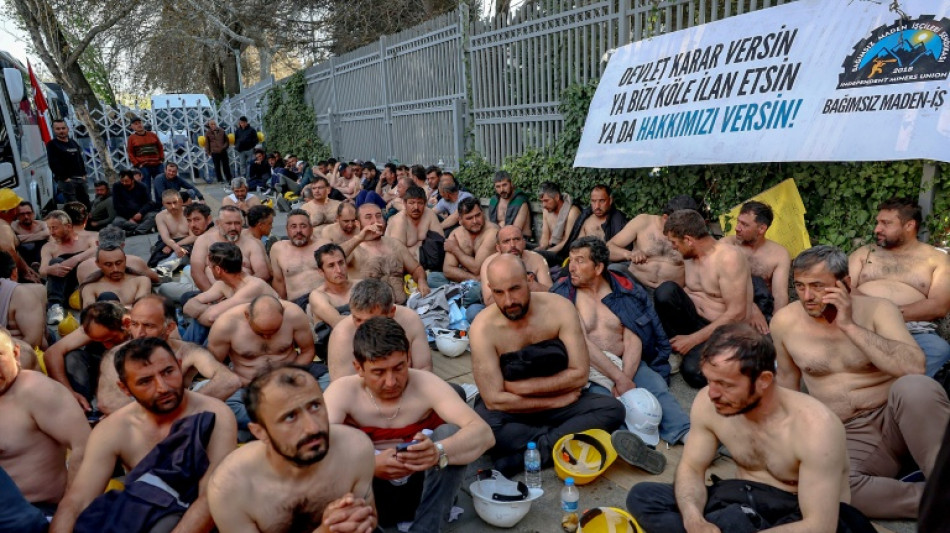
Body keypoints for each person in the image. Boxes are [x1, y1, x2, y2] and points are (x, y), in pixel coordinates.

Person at [626, 324, 872, 533]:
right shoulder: (709, 401)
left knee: (731, 521)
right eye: (709, 380)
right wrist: (694, 520)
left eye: (725, 384)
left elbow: (819, 525)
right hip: (740, 497)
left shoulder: (816, 427)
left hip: (797, 516)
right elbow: (691, 467)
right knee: (643, 497)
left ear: (763, 380)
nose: (712, 394)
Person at [771, 245, 950, 519]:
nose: (807, 296)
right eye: (800, 286)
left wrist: (850, 326)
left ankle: (939, 478)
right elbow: (786, 384)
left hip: (897, 416)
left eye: (818, 286)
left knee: (916, 386)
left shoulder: (879, 309)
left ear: (846, 284)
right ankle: (936, 498)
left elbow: (913, 366)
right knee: (837, 491)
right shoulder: (785, 322)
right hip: (851, 433)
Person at [50, 338, 237, 533]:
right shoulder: (114, 429)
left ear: (179, 366)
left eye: (168, 372)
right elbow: (77, 501)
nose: (163, 387)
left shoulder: (216, 414)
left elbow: (210, 497)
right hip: (143, 515)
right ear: (124, 388)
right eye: (145, 381)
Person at [326, 317, 494, 531]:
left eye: (399, 368)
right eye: (378, 372)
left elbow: (484, 433)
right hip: (371, 498)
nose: (391, 381)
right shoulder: (342, 392)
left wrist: (437, 451)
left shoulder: (425, 383)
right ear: (358, 367)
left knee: (451, 432)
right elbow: (314, 458)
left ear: (408, 358)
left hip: (424, 490)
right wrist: (369, 466)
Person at [471, 254, 626, 474]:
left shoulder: (560, 308)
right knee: (483, 426)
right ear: (489, 289)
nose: (509, 301)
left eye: (515, 289)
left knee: (613, 410)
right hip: (517, 408)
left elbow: (580, 374)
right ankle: (559, 440)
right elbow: (495, 399)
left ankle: (531, 453)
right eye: (498, 292)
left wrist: (524, 388)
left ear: (529, 280)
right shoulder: (482, 328)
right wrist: (556, 400)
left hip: (560, 404)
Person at [552, 237, 689, 445]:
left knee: (655, 387)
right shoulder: (565, 296)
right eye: (570, 260)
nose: (571, 267)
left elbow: (634, 335)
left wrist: (626, 376)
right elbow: (581, 343)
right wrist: (618, 378)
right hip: (588, 367)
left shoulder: (625, 291)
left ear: (598, 267)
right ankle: (630, 443)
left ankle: (685, 433)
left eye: (579, 261)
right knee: (605, 406)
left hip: (626, 360)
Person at [207, 365, 377, 532]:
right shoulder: (231, 488)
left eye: (315, 406)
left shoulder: (354, 448)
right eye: (290, 417)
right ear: (260, 432)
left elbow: (371, 519)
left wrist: (356, 520)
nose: (313, 428)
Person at [654, 209, 766, 388]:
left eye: (674, 242)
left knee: (694, 373)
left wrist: (692, 340)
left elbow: (737, 314)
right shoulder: (689, 255)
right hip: (694, 320)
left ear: (689, 240)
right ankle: (678, 349)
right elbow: (685, 291)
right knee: (665, 291)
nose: (673, 247)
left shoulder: (728, 258)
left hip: (723, 331)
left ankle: (707, 354)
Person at [0, 328, 90, 532]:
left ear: (15, 354)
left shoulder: (35, 390)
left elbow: (86, 448)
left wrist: (67, 515)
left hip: (37, 513)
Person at [849, 198, 950, 377]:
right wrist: (877, 315)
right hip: (864, 324)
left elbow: (939, 305)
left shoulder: (937, 259)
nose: (877, 229)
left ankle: (895, 391)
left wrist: (889, 315)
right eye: (878, 222)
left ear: (909, 225)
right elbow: (845, 288)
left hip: (912, 330)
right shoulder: (864, 253)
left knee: (939, 349)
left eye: (885, 223)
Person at [95, 295, 243, 416]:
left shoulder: (187, 351)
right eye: (134, 325)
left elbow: (229, 380)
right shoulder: (115, 355)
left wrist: (183, 409)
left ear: (169, 327)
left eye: (149, 326)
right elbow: (108, 402)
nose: (139, 333)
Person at [328, 278, 432, 380]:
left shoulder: (410, 320)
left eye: (371, 321)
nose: (363, 327)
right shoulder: (342, 336)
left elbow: (424, 370)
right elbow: (344, 389)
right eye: (358, 319)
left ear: (391, 312)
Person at [44, 301, 130, 412]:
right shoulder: (95, 325)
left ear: (126, 324)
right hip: (102, 370)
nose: (107, 345)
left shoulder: (138, 325)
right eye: (101, 342)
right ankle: (84, 407)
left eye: (109, 340)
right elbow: (52, 353)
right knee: (73, 358)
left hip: (130, 376)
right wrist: (69, 392)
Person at [346, 202, 430, 305]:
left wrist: (422, 281)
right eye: (368, 217)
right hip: (372, 311)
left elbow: (416, 269)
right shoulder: (354, 250)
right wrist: (359, 238)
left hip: (404, 306)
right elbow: (333, 257)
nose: (375, 221)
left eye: (378, 216)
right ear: (358, 223)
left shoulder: (395, 244)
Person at [607, 195, 697, 291]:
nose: (682, 230)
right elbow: (608, 248)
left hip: (667, 295)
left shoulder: (692, 236)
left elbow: (700, 271)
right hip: (636, 286)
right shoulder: (643, 222)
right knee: (614, 268)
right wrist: (628, 254)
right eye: (679, 225)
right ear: (666, 218)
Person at [183, 242, 278, 329]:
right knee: (205, 323)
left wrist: (204, 312)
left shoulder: (253, 286)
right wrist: (208, 310)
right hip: (248, 328)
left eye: (210, 266)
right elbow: (188, 306)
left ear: (218, 270)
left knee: (213, 324)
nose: (209, 268)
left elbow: (211, 317)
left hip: (270, 332)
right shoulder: (223, 284)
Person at [721, 200, 791, 314]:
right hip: (731, 307)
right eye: (738, 222)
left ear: (761, 229)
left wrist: (776, 324)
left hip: (763, 308)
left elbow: (779, 296)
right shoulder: (727, 246)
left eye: (744, 224)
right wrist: (751, 308)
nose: (737, 228)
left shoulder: (779, 254)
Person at [477, 225, 552, 321]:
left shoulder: (537, 259)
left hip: (530, 306)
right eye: (506, 241)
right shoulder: (489, 264)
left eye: (516, 239)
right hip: (501, 309)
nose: (512, 245)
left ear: (524, 242)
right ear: (498, 247)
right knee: (474, 311)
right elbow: (488, 301)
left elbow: (551, 293)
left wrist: (530, 285)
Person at [190, 205, 270, 292]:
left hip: (244, 294)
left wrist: (239, 291)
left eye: (237, 223)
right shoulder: (204, 240)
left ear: (242, 223)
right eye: (228, 223)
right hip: (212, 295)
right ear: (218, 223)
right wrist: (213, 296)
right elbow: (196, 272)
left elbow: (263, 273)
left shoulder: (251, 243)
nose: (233, 228)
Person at [40, 210, 97, 325]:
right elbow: (42, 270)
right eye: (49, 228)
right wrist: (51, 269)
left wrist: (75, 259)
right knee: (56, 261)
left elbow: (97, 250)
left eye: (55, 228)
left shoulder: (86, 239)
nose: (51, 232)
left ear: (68, 226)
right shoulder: (49, 247)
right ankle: (55, 306)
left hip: (86, 284)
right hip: (65, 287)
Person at [156, 204, 215, 303]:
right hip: (200, 278)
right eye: (189, 220)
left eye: (197, 219)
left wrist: (211, 297)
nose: (192, 225)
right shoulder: (205, 236)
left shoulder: (207, 238)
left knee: (163, 288)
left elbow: (199, 274)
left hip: (211, 287)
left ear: (208, 219)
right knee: (186, 270)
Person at [270, 209, 327, 305]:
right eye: (293, 226)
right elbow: (279, 282)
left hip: (325, 299)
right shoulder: (278, 249)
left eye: (303, 226)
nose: (298, 231)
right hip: (297, 304)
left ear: (311, 229)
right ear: (287, 229)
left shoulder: (324, 245)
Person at [75, 225, 159, 285]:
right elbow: (156, 279)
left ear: (97, 243)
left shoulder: (83, 266)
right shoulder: (135, 261)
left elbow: (83, 293)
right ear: (122, 245)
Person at [0, 251, 47, 348]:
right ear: (14, 273)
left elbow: (34, 342)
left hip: (17, 354)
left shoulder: (21, 295)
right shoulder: (24, 294)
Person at [79, 245, 151, 307]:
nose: (115, 269)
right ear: (98, 264)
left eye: (118, 263)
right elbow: (89, 315)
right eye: (108, 265)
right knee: (107, 297)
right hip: (108, 321)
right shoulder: (90, 288)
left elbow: (141, 307)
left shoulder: (141, 281)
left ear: (125, 260)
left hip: (136, 320)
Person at [385, 185, 443, 258]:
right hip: (401, 264)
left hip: (426, 259)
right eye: (411, 203)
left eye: (420, 203)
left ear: (425, 204)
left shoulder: (429, 214)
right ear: (405, 204)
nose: (416, 207)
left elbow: (440, 241)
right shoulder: (400, 220)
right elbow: (397, 255)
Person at [309, 243, 355, 329]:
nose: (339, 270)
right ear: (321, 272)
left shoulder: (360, 285)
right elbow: (338, 322)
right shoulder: (318, 296)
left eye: (341, 263)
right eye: (331, 266)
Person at [46, 119, 91, 207]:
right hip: (67, 181)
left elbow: (80, 159)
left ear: (67, 129)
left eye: (63, 128)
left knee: (86, 203)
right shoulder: (52, 145)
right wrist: (65, 178)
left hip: (80, 179)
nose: (61, 131)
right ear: (54, 130)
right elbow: (53, 163)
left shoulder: (73, 142)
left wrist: (84, 174)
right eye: (58, 129)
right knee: (73, 207)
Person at [536, 181, 581, 264]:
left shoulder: (572, 212)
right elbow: (545, 237)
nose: (544, 205)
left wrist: (546, 253)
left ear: (556, 197)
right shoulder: (546, 211)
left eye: (546, 201)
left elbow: (567, 242)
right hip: (550, 250)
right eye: (542, 201)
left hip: (565, 254)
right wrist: (540, 249)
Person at [149, 189, 195, 268]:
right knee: (157, 258)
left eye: (175, 202)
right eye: (169, 203)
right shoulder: (160, 216)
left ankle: (164, 268)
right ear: (163, 204)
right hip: (169, 242)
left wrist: (175, 246)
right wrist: (173, 246)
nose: (173, 206)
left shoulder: (190, 212)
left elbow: (193, 236)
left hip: (188, 242)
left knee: (181, 255)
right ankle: (162, 266)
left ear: (180, 201)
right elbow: (165, 237)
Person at [125, 116, 165, 198]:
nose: (138, 125)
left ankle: (160, 203)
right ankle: (149, 203)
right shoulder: (131, 138)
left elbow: (160, 147)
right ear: (132, 127)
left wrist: (161, 159)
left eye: (139, 123)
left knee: (160, 183)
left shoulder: (152, 135)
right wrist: (137, 164)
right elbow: (130, 152)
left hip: (157, 163)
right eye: (135, 124)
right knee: (146, 185)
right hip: (143, 165)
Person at [487, 171, 532, 239]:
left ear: (511, 184)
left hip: (519, 240)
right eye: (498, 186)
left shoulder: (520, 201)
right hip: (498, 238)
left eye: (504, 185)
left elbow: (515, 231)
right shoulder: (494, 200)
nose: (502, 190)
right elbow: (490, 225)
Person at [111, 169, 158, 235]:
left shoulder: (142, 186)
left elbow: (149, 203)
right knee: (116, 223)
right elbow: (117, 205)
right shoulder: (117, 187)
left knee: (156, 216)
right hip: (126, 217)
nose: (124, 183)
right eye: (122, 181)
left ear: (132, 180)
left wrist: (140, 213)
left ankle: (132, 231)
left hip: (142, 215)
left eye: (126, 181)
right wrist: (130, 218)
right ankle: (142, 229)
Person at [11, 201, 49, 268]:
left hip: (40, 256)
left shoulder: (41, 224)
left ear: (33, 213)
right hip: (23, 258)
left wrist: (20, 238)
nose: (26, 217)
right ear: (17, 215)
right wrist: (39, 235)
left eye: (28, 213)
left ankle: (37, 264)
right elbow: (12, 240)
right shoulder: (13, 226)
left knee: (43, 242)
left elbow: (47, 234)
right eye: (22, 214)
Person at [204, 119, 232, 185]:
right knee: (217, 166)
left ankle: (229, 178)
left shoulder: (221, 131)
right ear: (209, 125)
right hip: (214, 152)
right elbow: (207, 143)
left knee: (226, 165)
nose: (213, 125)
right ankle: (220, 179)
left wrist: (224, 147)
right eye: (211, 124)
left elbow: (226, 140)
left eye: (214, 124)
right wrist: (208, 152)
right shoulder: (208, 133)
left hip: (223, 151)